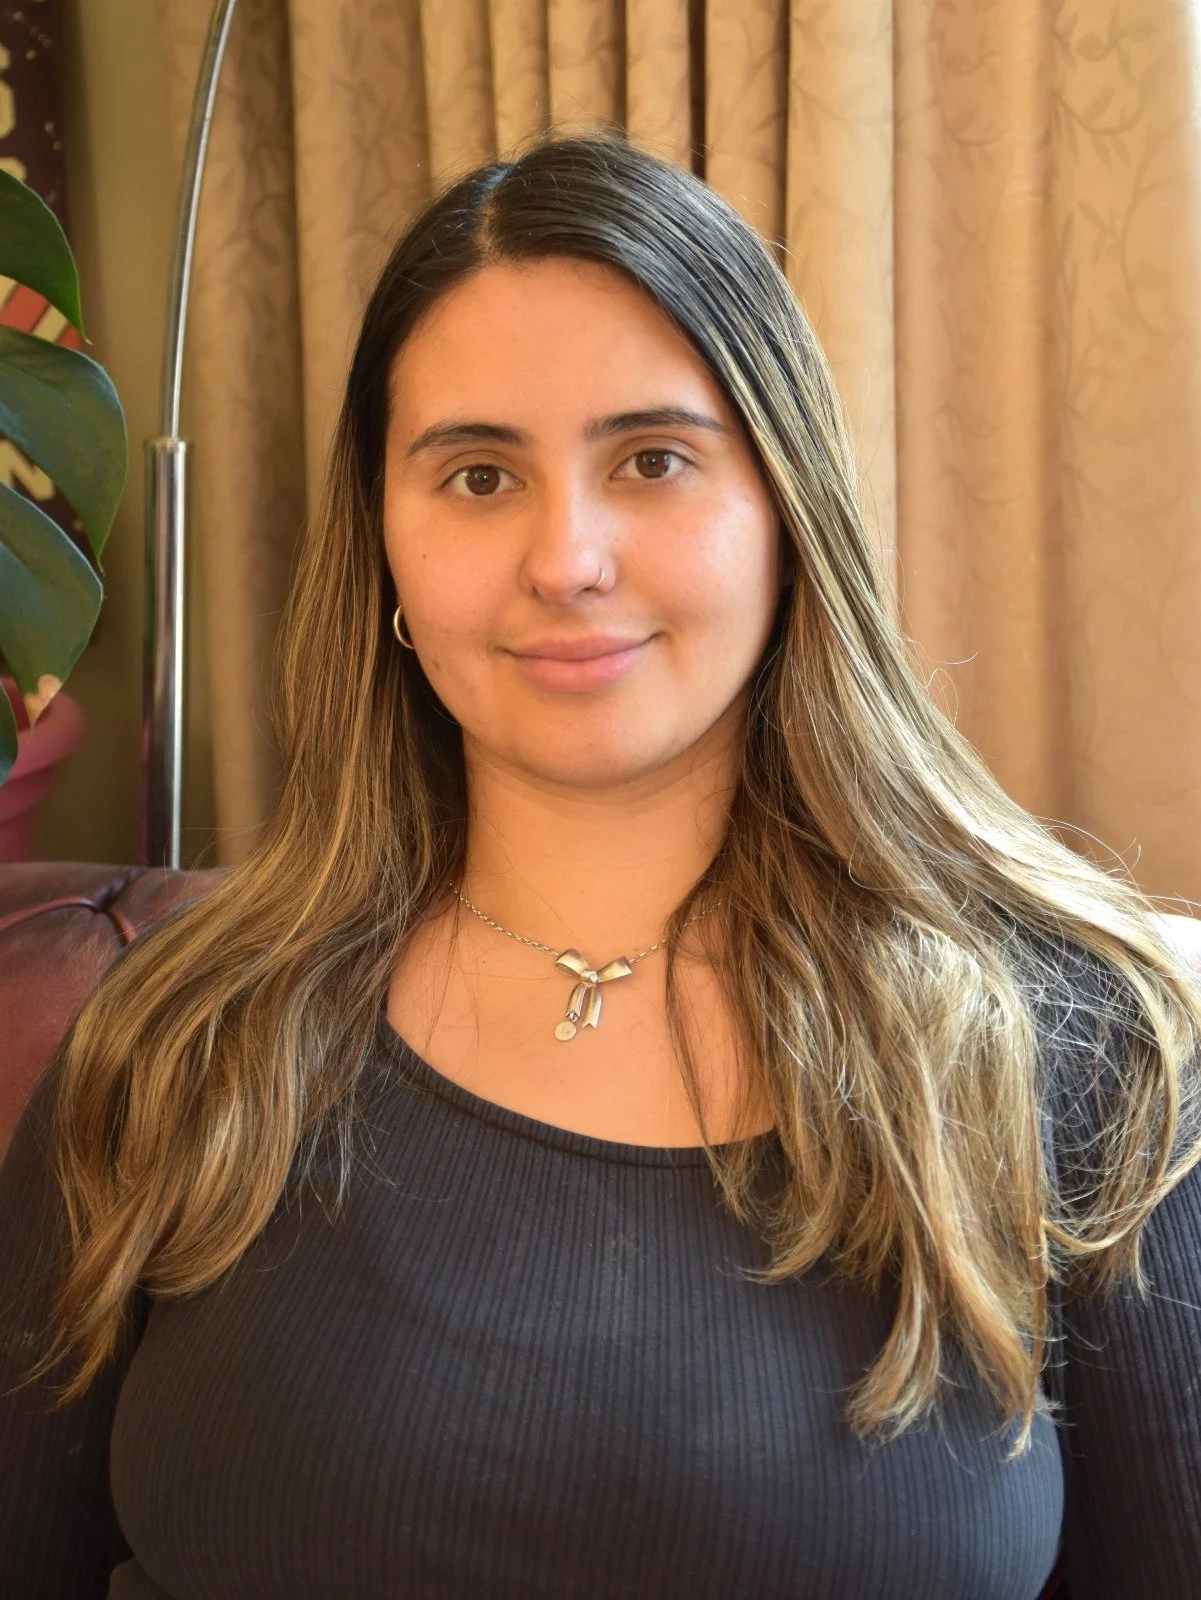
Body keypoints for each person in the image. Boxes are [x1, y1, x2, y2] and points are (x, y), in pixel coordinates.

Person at [2, 133, 1199, 1600]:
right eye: (479, 475)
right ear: (384, 546)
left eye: (651, 460)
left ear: (787, 515)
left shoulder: (1090, 1070)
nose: (565, 557)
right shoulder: (172, 1048)